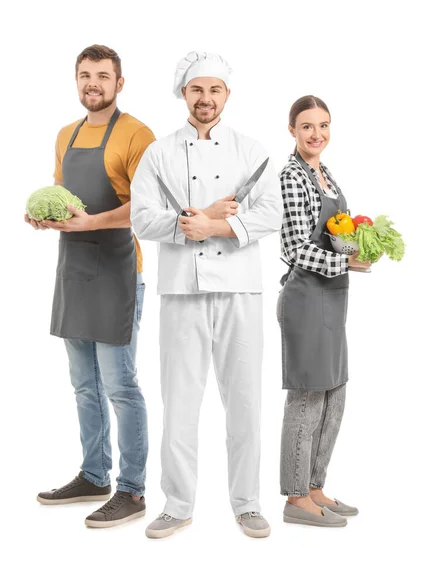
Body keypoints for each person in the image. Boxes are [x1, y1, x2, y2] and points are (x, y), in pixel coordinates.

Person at [130, 51, 282, 539]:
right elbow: (141, 217)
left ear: (227, 96)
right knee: (179, 401)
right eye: (197, 90)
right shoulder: (160, 153)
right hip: (180, 291)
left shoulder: (251, 151)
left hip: (240, 290)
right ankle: (177, 503)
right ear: (183, 94)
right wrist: (182, 225)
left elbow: (269, 215)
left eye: (214, 90)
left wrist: (214, 224)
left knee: (244, 400)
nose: (205, 99)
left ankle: (247, 503)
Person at [25, 45, 155, 528]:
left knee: (121, 385)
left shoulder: (138, 134)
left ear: (120, 83)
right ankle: (95, 473)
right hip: (74, 272)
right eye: (85, 75)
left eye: (103, 76)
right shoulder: (65, 134)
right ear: (76, 81)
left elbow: (147, 206)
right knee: (84, 385)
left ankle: (133, 490)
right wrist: (47, 215)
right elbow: (64, 194)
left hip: (119, 271)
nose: (93, 83)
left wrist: (92, 222)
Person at [277, 95, 371, 527]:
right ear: (292, 130)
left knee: (335, 392)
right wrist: (346, 262)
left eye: (324, 126)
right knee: (308, 395)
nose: (317, 134)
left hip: (334, 297)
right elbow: (296, 249)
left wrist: (362, 248)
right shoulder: (292, 176)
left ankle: (316, 487)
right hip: (306, 297)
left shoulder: (326, 174)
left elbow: (338, 234)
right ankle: (296, 498)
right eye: (307, 126)